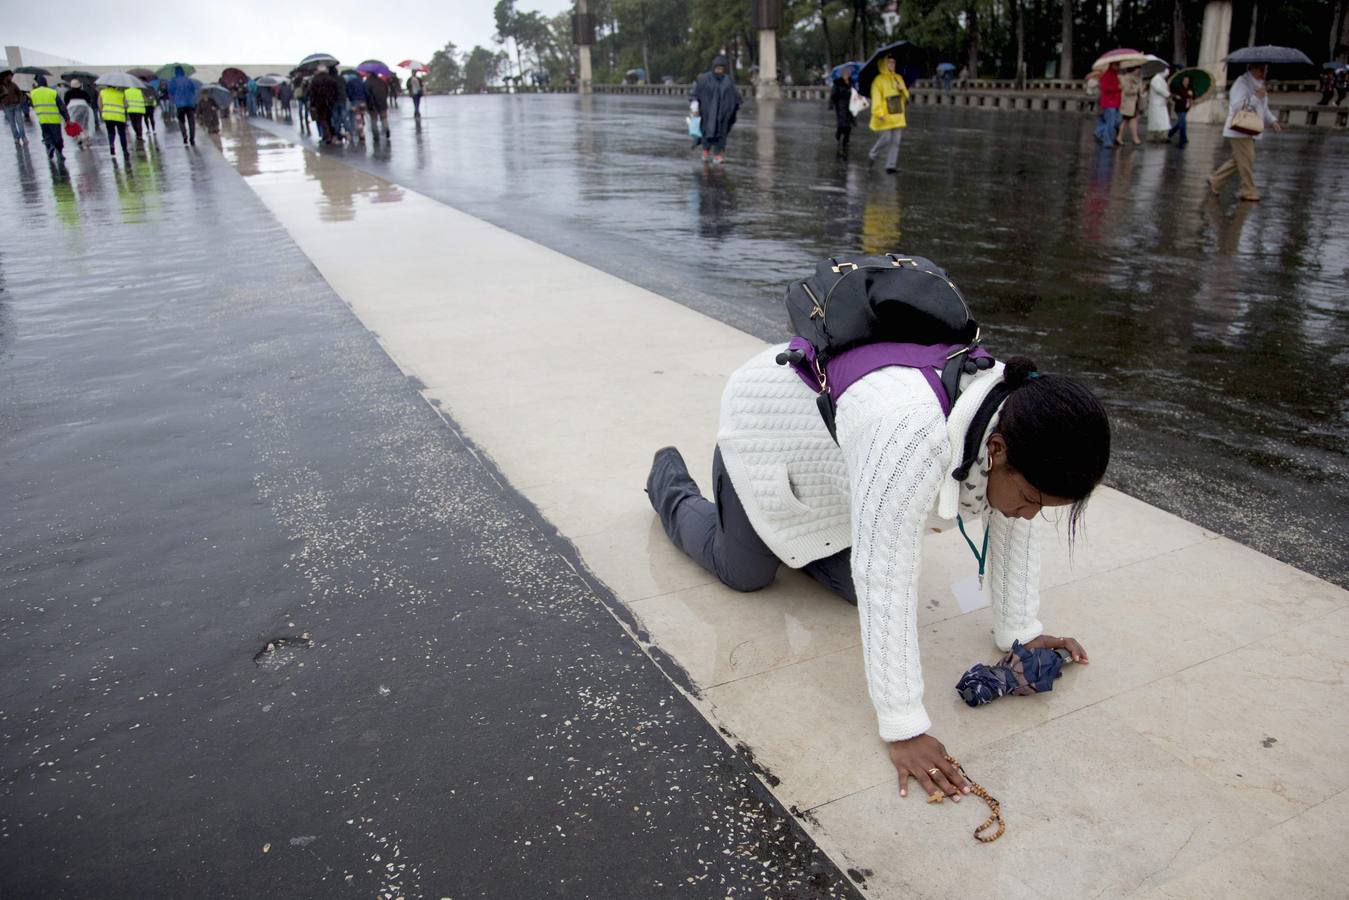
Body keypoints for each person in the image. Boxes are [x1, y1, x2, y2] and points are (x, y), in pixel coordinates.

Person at [646, 308, 1108, 803]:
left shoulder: (1017, 417)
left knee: (851, 588)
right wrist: (904, 726)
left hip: (841, 472)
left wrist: (1021, 631)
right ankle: (668, 480)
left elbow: (1012, 523)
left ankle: (796, 542)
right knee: (745, 573)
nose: (1031, 514)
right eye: (1033, 500)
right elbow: (884, 578)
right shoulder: (910, 437)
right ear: (996, 450)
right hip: (769, 434)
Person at [1208, 63, 1281, 202]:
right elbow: (1236, 106)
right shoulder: (1241, 84)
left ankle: (1215, 180)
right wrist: (1256, 97)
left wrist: (1272, 121)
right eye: (1260, 69)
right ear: (1251, 69)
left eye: (1265, 69)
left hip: (1250, 128)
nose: (1263, 72)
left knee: (1239, 160)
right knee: (1247, 160)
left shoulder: (1259, 85)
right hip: (1238, 128)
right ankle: (1248, 190)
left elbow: (1263, 108)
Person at [689, 55, 742, 164]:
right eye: (717, 68)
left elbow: (735, 96)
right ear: (713, 67)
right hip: (707, 112)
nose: (719, 71)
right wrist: (695, 106)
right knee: (706, 132)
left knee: (721, 134)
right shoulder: (704, 79)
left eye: (721, 69)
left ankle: (718, 154)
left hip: (723, 114)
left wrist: (732, 109)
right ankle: (706, 151)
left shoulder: (728, 80)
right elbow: (695, 93)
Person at [867, 55, 909, 173]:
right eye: (889, 62)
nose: (892, 65)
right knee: (886, 138)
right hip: (885, 115)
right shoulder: (878, 80)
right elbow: (876, 98)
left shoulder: (898, 78)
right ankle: (873, 154)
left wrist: (902, 90)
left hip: (898, 114)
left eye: (893, 62)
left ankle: (891, 165)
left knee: (896, 141)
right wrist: (878, 112)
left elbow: (906, 98)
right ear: (884, 64)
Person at [29, 75, 69, 166]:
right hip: (54, 119)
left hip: (42, 119)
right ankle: (60, 153)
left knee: (46, 135)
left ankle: (50, 146)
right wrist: (66, 118)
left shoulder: (33, 93)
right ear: (46, 82)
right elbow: (61, 106)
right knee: (57, 138)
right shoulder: (52, 92)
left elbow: (32, 104)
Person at [308, 66, 342, 145]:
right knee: (330, 119)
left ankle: (327, 136)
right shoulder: (331, 79)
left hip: (319, 103)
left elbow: (312, 94)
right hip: (330, 103)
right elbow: (336, 91)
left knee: (322, 119)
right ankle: (333, 135)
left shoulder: (315, 80)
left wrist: (312, 104)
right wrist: (334, 100)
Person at [99, 80, 130, 159]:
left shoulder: (102, 92)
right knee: (122, 133)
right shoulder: (121, 93)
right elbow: (126, 105)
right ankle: (124, 150)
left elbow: (100, 104)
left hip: (108, 115)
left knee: (111, 132)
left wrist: (102, 112)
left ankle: (112, 145)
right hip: (119, 116)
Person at [168, 65, 198, 145]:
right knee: (191, 122)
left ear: (175, 72)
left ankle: (184, 136)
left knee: (181, 122)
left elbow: (170, 91)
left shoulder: (173, 80)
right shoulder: (188, 79)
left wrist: (174, 100)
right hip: (190, 104)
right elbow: (193, 90)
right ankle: (192, 139)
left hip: (180, 105)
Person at [1094, 62, 1122, 145]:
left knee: (1116, 121)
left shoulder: (1115, 75)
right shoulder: (1107, 75)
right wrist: (1117, 88)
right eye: (1116, 65)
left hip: (1115, 102)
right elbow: (1104, 88)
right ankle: (1107, 141)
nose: (1118, 67)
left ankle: (1099, 132)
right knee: (1111, 122)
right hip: (1109, 102)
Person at [63, 78, 95, 151]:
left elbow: (66, 102)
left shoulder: (68, 93)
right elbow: (89, 100)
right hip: (84, 108)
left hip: (72, 109)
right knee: (85, 125)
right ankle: (87, 138)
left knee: (75, 125)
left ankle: (79, 139)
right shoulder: (83, 92)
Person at [828, 73, 855, 157]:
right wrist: (831, 104)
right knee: (842, 122)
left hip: (850, 105)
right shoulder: (837, 83)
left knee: (849, 123)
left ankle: (846, 139)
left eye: (847, 74)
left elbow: (856, 93)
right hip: (840, 105)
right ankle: (839, 134)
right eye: (844, 74)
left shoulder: (852, 83)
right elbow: (833, 94)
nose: (846, 75)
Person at [1117, 66, 1143, 145]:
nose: (1138, 70)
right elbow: (1127, 90)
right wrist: (1136, 89)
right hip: (1128, 103)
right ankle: (1121, 137)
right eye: (1137, 69)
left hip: (1134, 102)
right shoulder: (1127, 78)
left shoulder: (1137, 79)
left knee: (1131, 120)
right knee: (1126, 120)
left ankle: (1133, 137)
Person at [1145, 66, 1171, 142]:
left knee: (1163, 120)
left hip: (1161, 103)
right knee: (1156, 120)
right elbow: (1158, 89)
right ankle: (1154, 136)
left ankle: (1163, 136)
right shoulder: (1156, 79)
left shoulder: (1162, 79)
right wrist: (1168, 94)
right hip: (1156, 104)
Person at [1168, 74, 1195, 146]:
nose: (1186, 82)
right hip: (1179, 108)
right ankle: (1181, 141)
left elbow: (1193, 97)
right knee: (1182, 124)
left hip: (1186, 108)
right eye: (1185, 80)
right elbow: (1174, 97)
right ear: (1182, 81)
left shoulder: (1190, 89)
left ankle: (1170, 133)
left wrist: (1192, 95)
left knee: (1181, 123)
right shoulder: (1178, 88)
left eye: (1187, 80)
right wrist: (1176, 97)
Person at [2, 70, 26, 145]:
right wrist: (3, 94)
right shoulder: (1, 86)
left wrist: (20, 103)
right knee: (12, 124)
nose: (11, 77)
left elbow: (20, 93)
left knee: (20, 123)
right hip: (7, 107)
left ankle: (23, 137)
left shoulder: (13, 84)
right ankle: (16, 138)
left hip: (16, 106)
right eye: (10, 76)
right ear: (6, 77)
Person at [365, 72, 390, 140]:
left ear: (369, 74)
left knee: (373, 119)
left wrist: (367, 103)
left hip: (372, 104)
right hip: (382, 103)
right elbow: (386, 91)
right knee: (384, 118)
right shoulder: (382, 81)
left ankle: (376, 135)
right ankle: (386, 129)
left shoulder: (367, 82)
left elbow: (366, 94)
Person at [345, 72, 369, 142]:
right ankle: (361, 132)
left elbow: (349, 93)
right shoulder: (361, 82)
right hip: (363, 101)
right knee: (361, 117)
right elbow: (366, 92)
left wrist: (351, 99)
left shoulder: (349, 83)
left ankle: (359, 133)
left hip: (355, 102)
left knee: (356, 118)